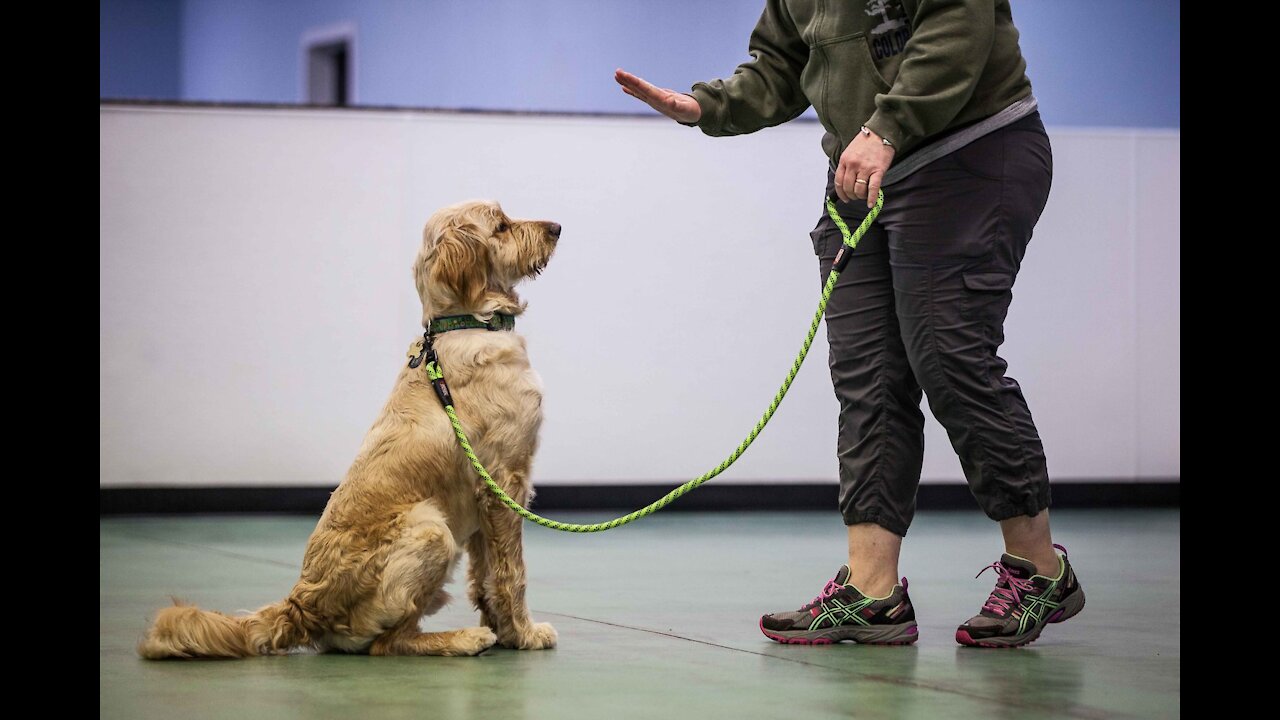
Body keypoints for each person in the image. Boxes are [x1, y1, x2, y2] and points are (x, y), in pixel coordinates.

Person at [616, 0, 1084, 648]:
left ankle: (1040, 569)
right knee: (868, 376)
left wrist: (888, 125)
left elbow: (958, 25)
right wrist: (709, 107)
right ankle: (873, 592)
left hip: (970, 151)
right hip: (868, 177)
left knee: (948, 355)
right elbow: (779, 67)